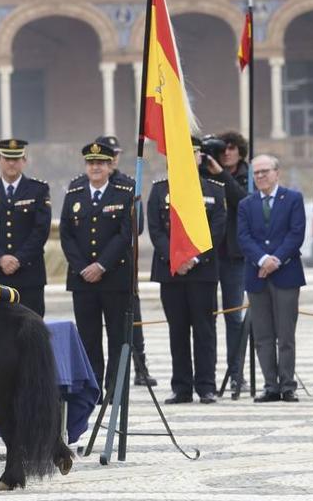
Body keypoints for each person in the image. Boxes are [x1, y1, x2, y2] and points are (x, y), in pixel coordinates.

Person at [149, 138, 227, 404]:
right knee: (177, 330)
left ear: (199, 157)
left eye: (191, 153)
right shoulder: (160, 190)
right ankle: (181, 386)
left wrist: (192, 259)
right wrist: (175, 258)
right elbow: (156, 230)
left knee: (205, 330)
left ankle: (206, 386)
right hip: (171, 271)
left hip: (201, 271)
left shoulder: (214, 190)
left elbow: (216, 230)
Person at [61, 141, 133, 394]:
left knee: (117, 336)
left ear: (110, 165)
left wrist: (101, 265)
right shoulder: (74, 193)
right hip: (83, 280)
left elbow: (125, 235)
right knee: (88, 338)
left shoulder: (125, 192)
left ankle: (116, 389)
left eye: (101, 163)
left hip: (114, 277)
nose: (95, 168)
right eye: (91, 163)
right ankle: (93, 389)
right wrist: (83, 268)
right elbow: (66, 235)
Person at [236, 154, 305, 403]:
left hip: (286, 274)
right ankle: (271, 385)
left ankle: (288, 385)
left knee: (286, 334)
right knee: (263, 335)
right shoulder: (246, 204)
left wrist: (275, 260)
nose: (261, 176)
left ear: (277, 172)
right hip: (257, 275)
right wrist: (263, 260)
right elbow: (243, 237)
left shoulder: (293, 198)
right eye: (256, 173)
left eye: (265, 171)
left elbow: (296, 234)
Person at [95, 135, 157, 387]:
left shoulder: (128, 184)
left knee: (133, 317)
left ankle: (139, 365)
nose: (114, 158)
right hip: (93, 266)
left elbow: (136, 227)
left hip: (121, 265)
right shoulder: (86, 183)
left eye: (116, 153)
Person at [0, 139, 51, 316]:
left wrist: (18, 259)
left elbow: (41, 230)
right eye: (7, 158)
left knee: (31, 331)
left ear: (24, 161)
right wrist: (0, 258)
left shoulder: (38, 190)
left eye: (16, 159)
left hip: (29, 274)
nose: (11, 163)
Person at [206, 132, 251, 396]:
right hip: (210, 254)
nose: (227, 152)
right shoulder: (206, 173)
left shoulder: (248, 174)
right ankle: (207, 377)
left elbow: (244, 202)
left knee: (234, 316)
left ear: (240, 151)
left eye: (232, 148)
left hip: (235, 256)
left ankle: (237, 374)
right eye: (222, 148)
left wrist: (221, 174)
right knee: (207, 316)